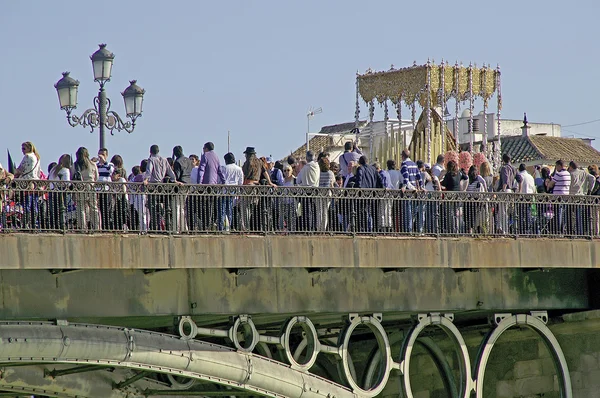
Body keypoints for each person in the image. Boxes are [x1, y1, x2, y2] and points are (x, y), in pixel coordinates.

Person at [143, 144, 178, 231]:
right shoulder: (164, 160)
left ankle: (154, 226)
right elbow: (170, 172)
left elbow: (149, 170)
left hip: (153, 186)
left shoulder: (151, 159)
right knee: (166, 208)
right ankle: (167, 227)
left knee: (152, 207)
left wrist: (146, 179)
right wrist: (174, 180)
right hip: (162, 186)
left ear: (150, 151)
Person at [14, 141, 41, 229]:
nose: (22, 151)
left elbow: (20, 169)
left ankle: (26, 224)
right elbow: (38, 172)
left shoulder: (27, 156)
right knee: (34, 205)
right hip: (35, 183)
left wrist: (15, 173)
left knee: (27, 205)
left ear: (29, 148)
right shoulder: (37, 158)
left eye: (24, 148)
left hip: (26, 183)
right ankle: (34, 224)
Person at [73, 147, 100, 231]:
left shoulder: (75, 165)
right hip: (91, 186)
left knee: (81, 208)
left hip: (80, 187)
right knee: (93, 207)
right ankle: (96, 227)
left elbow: (72, 176)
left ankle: (83, 227)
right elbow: (97, 177)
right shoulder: (92, 164)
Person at [296, 150, 320, 231]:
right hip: (316, 190)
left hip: (306, 191)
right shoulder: (317, 166)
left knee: (306, 210)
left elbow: (298, 180)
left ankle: (308, 227)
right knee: (314, 210)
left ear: (306, 158)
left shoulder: (305, 168)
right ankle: (315, 227)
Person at [400, 149, 422, 233]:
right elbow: (419, 176)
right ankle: (413, 229)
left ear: (402, 156)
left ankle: (408, 230)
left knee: (408, 211)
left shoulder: (404, 164)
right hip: (415, 190)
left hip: (409, 190)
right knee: (413, 211)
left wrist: (405, 186)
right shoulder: (414, 164)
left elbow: (405, 176)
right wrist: (421, 186)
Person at [220, 152, 244, 231]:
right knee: (229, 209)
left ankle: (222, 227)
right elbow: (241, 182)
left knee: (222, 209)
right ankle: (228, 226)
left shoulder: (224, 168)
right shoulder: (239, 169)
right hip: (233, 190)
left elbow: (220, 180)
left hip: (223, 190)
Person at [48, 154, 71, 230]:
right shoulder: (65, 170)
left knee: (53, 210)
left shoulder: (53, 169)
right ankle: (61, 225)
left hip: (52, 191)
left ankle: (53, 226)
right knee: (61, 209)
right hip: (61, 192)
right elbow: (67, 183)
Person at [547, 160, 571, 234]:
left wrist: (548, 186)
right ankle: (562, 229)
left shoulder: (559, 174)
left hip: (558, 196)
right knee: (562, 213)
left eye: (556, 166)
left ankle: (557, 230)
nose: (556, 168)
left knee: (558, 213)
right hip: (565, 195)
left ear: (559, 166)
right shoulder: (568, 174)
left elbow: (551, 184)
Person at [95, 148, 115, 230]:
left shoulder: (110, 164)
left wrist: (104, 162)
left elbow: (111, 171)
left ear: (106, 155)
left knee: (107, 209)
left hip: (106, 190)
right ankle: (101, 227)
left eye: (103, 154)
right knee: (99, 210)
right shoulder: (96, 165)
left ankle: (107, 227)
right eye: (100, 154)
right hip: (98, 190)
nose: (101, 156)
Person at [316, 157, 335, 232]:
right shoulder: (331, 173)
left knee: (319, 211)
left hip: (319, 193)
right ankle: (323, 228)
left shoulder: (318, 173)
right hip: (327, 193)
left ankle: (318, 228)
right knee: (325, 212)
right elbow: (332, 184)